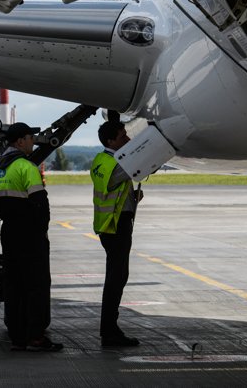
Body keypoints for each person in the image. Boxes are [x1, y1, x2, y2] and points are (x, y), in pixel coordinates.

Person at [0, 122, 63, 352]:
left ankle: (18, 336)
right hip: (30, 234)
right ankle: (36, 337)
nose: (33, 142)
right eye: (30, 138)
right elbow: (41, 204)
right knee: (37, 284)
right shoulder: (26, 167)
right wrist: (40, 229)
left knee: (14, 284)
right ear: (20, 141)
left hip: (10, 232)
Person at [90, 120, 143, 347]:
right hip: (115, 226)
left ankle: (109, 328)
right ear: (111, 141)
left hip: (112, 224)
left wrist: (132, 198)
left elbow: (116, 189)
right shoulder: (112, 163)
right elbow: (127, 172)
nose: (128, 140)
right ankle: (109, 331)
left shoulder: (103, 161)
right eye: (123, 137)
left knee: (117, 276)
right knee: (116, 278)